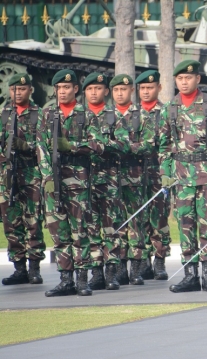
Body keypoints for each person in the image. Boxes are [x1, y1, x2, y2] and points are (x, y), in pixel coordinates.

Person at [159, 60, 207, 293]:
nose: (184, 82)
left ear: (197, 79)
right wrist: (165, 172)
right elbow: (163, 146)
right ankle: (190, 275)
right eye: (180, 79)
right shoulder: (170, 108)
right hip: (181, 177)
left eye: (188, 78)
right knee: (185, 225)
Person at [38, 69, 101, 297]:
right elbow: (41, 147)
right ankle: (66, 280)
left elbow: (99, 145)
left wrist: (72, 147)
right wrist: (47, 178)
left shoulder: (87, 115)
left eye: (67, 87)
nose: (62, 91)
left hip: (78, 180)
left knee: (79, 231)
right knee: (59, 232)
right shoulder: (47, 114)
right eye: (59, 88)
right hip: (53, 182)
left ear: (75, 89)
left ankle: (82, 279)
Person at [84, 73, 128, 290]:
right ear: (83, 92)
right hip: (83, 180)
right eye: (90, 88)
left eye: (98, 88)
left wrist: (97, 146)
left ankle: (111, 272)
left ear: (106, 92)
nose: (94, 92)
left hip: (109, 179)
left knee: (111, 227)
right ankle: (96, 272)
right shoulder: (77, 116)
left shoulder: (114, 116)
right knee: (90, 227)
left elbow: (123, 144)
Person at [0, 73, 45, 285]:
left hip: (31, 174)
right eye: (14, 90)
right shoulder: (3, 113)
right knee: (11, 222)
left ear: (30, 90)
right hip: (7, 175)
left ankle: (34, 267)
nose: (18, 93)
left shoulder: (39, 114)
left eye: (22, 89)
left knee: (33, 220)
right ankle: (19, 268)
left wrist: (26, 147)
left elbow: (45, 145)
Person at [110, 74, 148, 286]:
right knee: (116, 223)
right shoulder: (106, 115)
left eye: (123, 90)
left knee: (135, 223)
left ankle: (135, 269)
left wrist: (122, 147)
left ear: (131, 91)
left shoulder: (141, 115)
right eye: (116, 90)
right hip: (110, 179)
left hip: (134, 177)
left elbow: (149, 143)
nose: (120, 93)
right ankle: (119, 268)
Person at [135, 70, 170, 280]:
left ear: (159, 88)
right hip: (136, 175)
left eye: (150, 87)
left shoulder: (166, 113)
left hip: (159, 173)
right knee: (139, 219)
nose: (146, 91)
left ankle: (159, 262)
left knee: (160, 218)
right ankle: (144, 262)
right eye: (142, 88)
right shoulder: (131, 114)